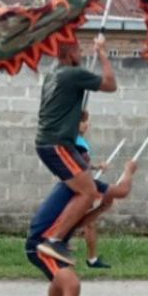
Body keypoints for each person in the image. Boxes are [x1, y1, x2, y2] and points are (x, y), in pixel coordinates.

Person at [26, 161, 137, 296]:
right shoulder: (79, 184)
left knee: (60, 280)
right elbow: (122, 190)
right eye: (81, 158)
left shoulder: (80, 185)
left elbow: (76, 223)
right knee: (71, 284)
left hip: (48, 244)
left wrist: (102, 208)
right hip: (40, 245)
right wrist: (129, 171)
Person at [34, 36, 117, 264]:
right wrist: (101, 52)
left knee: (81, 191)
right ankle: (54, 240)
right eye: (79, 50)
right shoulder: (73, 74)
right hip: (57, 143)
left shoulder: (52, 75)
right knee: (89, 192)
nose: (81, 54)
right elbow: (111, 84)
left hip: (50, 143)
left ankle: (59, 237)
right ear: (69, 53)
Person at [74, 111, 113, 269]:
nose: (87, 124)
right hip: (81, 186)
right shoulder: (75, 142)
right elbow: (79, 165)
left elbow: (82, 163)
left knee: (89, 223)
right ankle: (91, 259)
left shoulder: (79, 141)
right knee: (87, 222)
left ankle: (92, 259)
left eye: (87, 121)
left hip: (85, 184)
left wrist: (97, 166)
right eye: (84, 121)